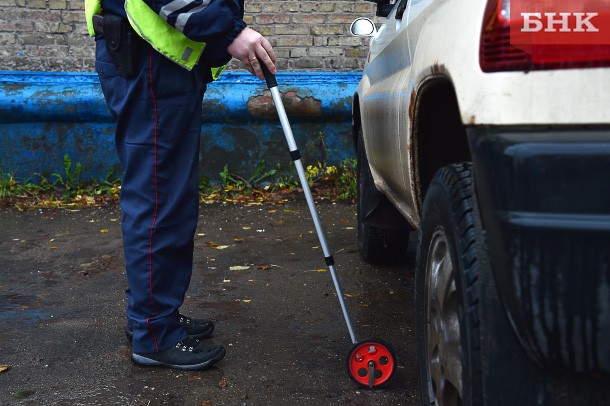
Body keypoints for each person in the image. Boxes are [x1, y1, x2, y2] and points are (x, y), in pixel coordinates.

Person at [84, 0, 276, 370]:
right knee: (159, 199)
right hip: (150, 63)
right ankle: (154, 334)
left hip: (151, 61)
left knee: (165, 195)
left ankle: (154, 314)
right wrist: (228, 31)